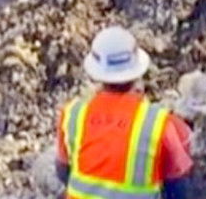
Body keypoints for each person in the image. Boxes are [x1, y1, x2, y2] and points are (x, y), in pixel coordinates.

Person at [54, 26, 194, 199]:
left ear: (95, 72)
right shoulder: (159, 123)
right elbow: (180, 188)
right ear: (137, 72)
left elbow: (63, 172)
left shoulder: (72, 114)